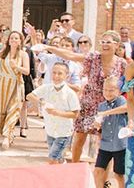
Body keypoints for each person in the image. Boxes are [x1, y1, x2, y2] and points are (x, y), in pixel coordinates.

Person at [44, 30, 126, 163]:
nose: (104, 45)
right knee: (79, 138)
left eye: (108, 42)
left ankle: (103, 178)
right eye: (102, 42)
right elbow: (71, 55)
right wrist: (48, 47)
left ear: (117, 45)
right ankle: (74, 169)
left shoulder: (122, 64)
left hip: (107, 107)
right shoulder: (93, 57)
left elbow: (127, 84)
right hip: (88, 103)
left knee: (105, 143)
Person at [0, 30, 30, 149]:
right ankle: (9, 134)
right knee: (2, 111)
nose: (13, 40)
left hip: (16, 85)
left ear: (20, 41)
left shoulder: (23, 54)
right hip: (3, 84)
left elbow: (27, 71)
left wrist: (16, 66)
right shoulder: (3, 52)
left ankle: (7, 138)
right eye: (11, 38)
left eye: (16, 38)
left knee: (13, 111)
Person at [27, 63, 80, 164]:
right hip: (50, 130)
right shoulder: (46, 88)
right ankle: (63, 169)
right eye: (54, 73)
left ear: (66, 76)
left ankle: (52, 178)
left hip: (63, 132)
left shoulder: (70, 93)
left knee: (52, 159)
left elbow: (75, 114)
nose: (56, 76)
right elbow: (29, 96)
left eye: (60, 74)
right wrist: (42, 102)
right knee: (58, 159)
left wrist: (57, 113)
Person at [94, 77, 127, 188]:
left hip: (120, 145)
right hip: (105, 144)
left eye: (111, 90)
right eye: (105, 90)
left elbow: (125, 108)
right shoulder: (101, 106)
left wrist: (106, 112)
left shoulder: (121, 100)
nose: (108, 93)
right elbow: (100, 125)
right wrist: (97, 126)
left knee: (119, 174)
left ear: (118, 91)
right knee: (98, 171)